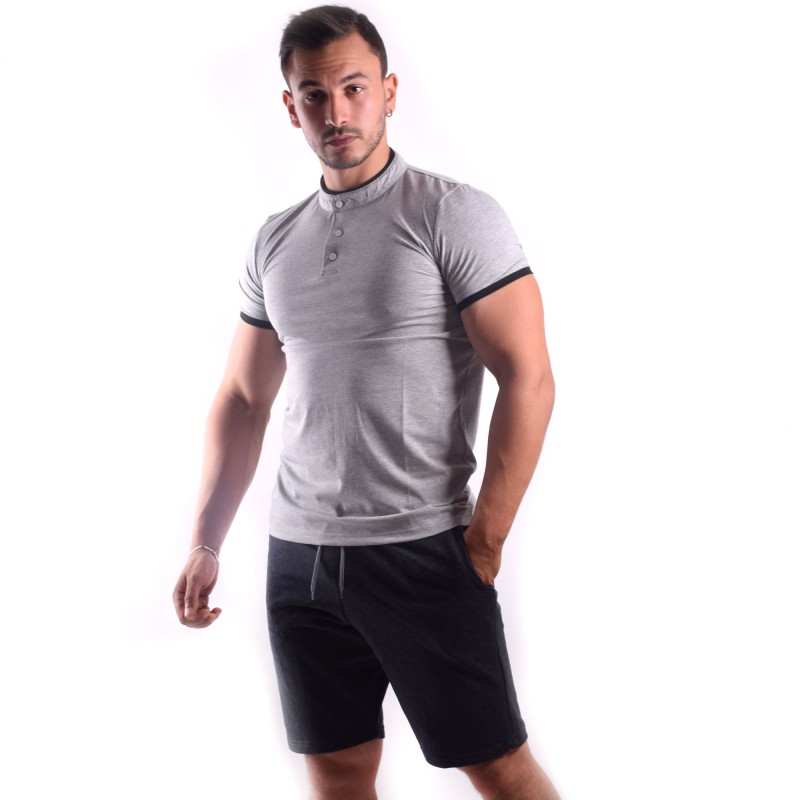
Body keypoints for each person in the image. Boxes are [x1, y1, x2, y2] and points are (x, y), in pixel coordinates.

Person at [173, 6, 560, 799]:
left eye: (353, 87)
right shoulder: (274, 240)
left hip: (421, 549)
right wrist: (207, 541)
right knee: (339, 777)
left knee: (497, 768)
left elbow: (528, 376)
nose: (336, 111)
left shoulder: (452, 213)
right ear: (291, 107)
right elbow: (243, 398)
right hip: (299, 557)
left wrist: (484, 544)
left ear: (388, 91)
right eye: (315, 95)